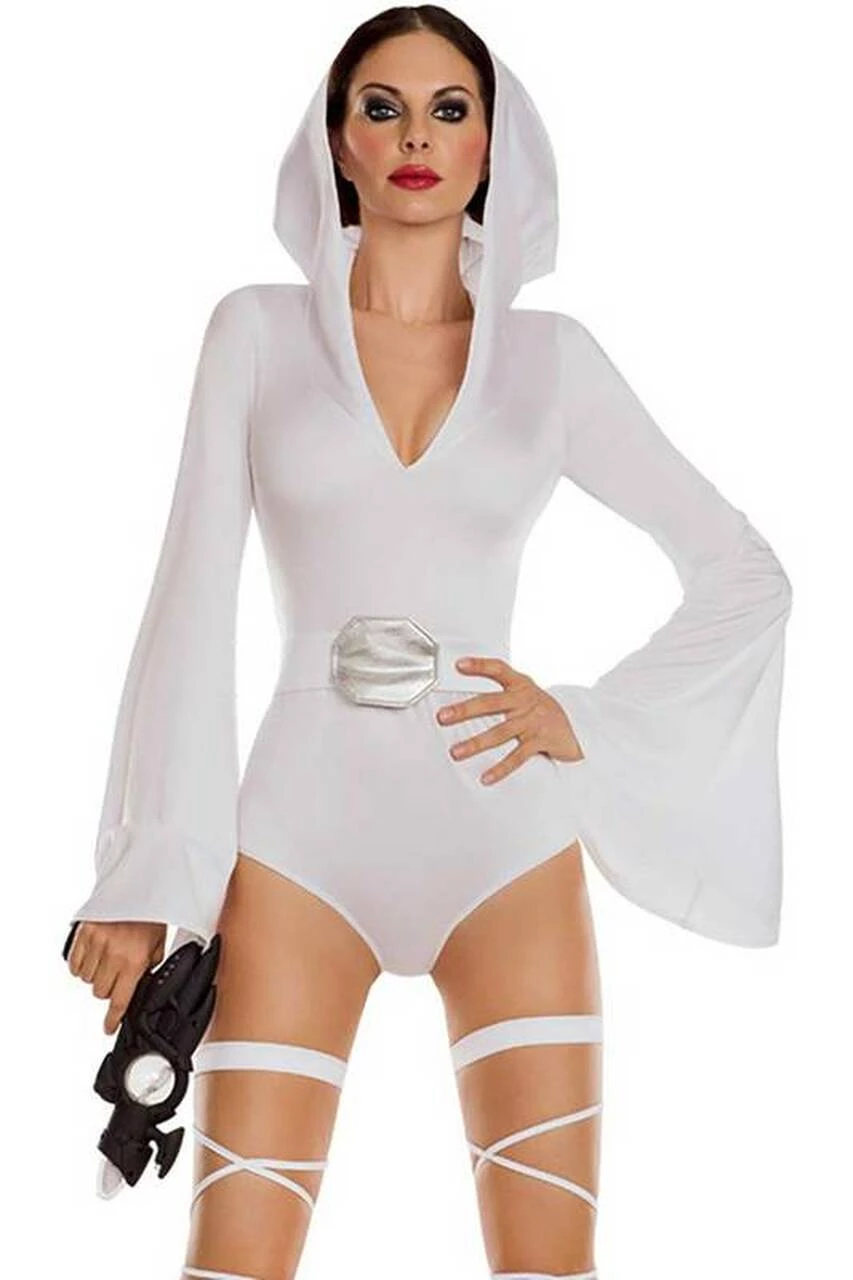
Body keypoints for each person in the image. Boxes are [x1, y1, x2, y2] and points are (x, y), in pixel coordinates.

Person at [64, 5, 793, 1278]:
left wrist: (582, 715)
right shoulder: (253, 331)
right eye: (382, 108)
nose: (415, 137)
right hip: (296, 842)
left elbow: (744, 576)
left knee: (548, 1266)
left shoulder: (554, 361)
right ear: (334, 142)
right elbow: (188, 596)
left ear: (492, 145)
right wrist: (148, 871)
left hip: (503, 838)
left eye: (450, 109)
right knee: (232, 1261)